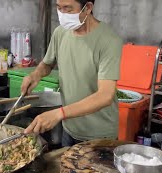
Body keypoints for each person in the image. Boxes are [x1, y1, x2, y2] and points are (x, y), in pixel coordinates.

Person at [21, 0, 123, 146]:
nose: (62, 14)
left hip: (99, 135)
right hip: (69, 129)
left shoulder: (109, 41)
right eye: (59, 8)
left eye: (68, 9)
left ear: (87, 8)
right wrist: (35, 75)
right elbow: (48, 63)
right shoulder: (60, 32)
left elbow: (105, 95)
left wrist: (59, 114)